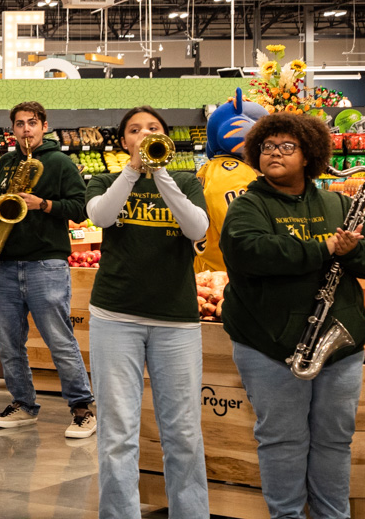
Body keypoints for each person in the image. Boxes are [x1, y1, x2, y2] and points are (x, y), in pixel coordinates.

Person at [221, 112, 365, 519]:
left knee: (334, 440)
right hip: (269, 345)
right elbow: (252, 253)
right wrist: (325, 248)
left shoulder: (339, 202)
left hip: (338, 344)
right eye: (268, 146)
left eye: (287, 146)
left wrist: (353, 250)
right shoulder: (248, 205)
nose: (275, 153)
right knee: (282, 441)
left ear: (309, 155)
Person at [85, 106, 210, 519]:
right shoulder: (105, 180)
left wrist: (162, 175)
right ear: (123, 141)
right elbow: (102, 215)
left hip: (176, 320)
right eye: (134, 130)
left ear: (166, 137)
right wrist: (133, 171)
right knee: (118, 434)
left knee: (185, 432)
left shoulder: (188, 181)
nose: (143, 134)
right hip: (115, 317)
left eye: (152, 129)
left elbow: (197, 229)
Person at [0, 101, 96, 438]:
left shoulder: (61, 162)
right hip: (5, 264)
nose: (26, 130)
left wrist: (43, 204)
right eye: (19, 124)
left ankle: (82, 409)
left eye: (32, 123)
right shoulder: (6, 162)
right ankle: (23, 404)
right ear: (13, 129)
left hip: (46, 265)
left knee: (59, 341)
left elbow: (80, 208)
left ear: (44, 126)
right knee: (7, 343)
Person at [195, 87, 266, 273]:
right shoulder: (233, 173)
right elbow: (241, 234)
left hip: (211, 269)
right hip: (226, 274)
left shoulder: (214, 168)